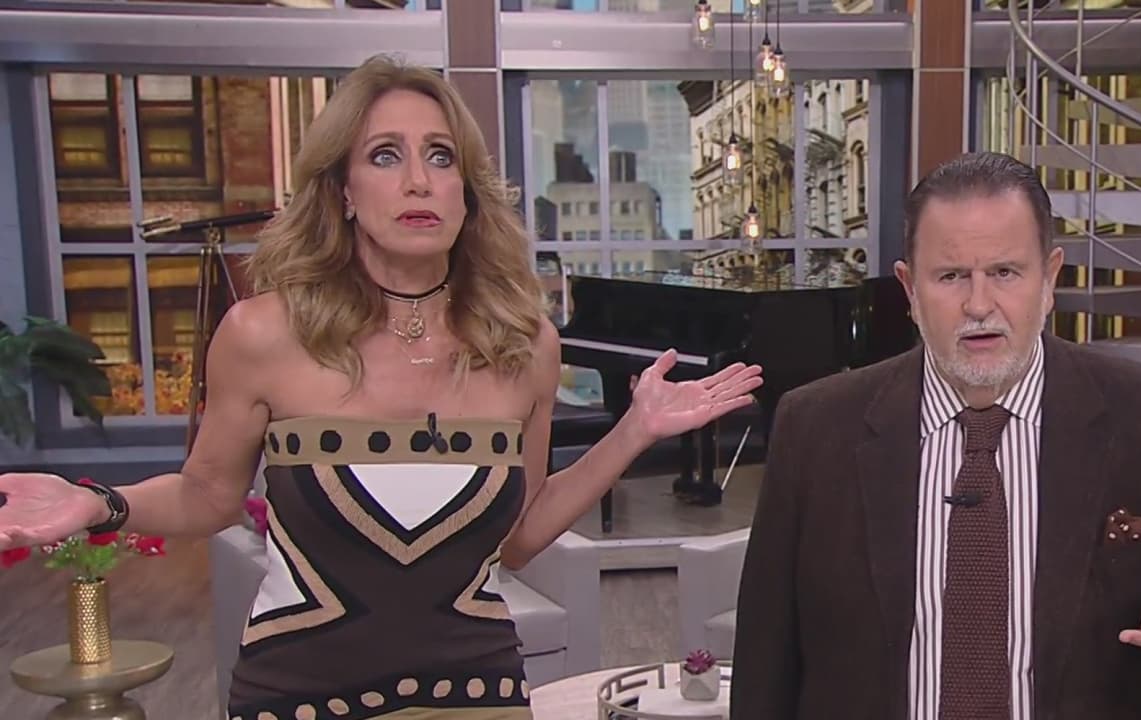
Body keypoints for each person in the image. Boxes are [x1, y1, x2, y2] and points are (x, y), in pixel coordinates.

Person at [0, 55, 761, 720]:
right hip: (299, 698)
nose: (418, 179)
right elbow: (207, 496)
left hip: (477, 695)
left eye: (440, 156)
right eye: (386, 155)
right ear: (343, 190)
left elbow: (521, 539)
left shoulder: (521, 343)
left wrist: (632, 432)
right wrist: (99, 504)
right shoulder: (263, 334)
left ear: (467, 193)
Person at [731, 151, 1141, 720]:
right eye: (950, 276)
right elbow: (766, 653)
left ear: (1050, 278)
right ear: (909, 289)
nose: (978, 305)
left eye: (1005, 273)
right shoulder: (815, 427)